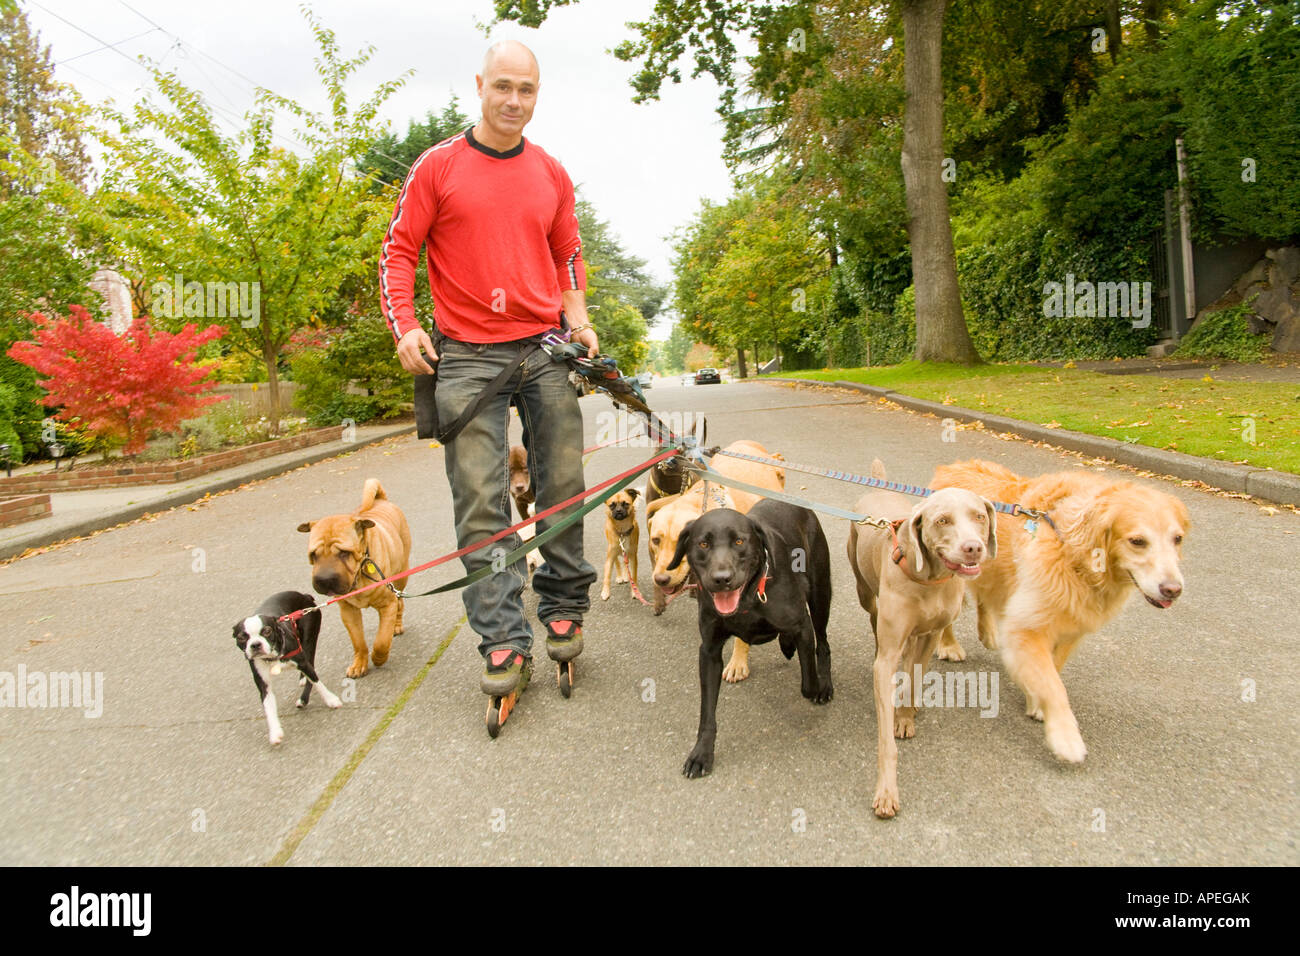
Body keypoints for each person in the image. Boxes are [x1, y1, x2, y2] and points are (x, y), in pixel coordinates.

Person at [378, 40, 598, 723]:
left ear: (537, 94)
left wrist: (581, 320)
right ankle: (503, 638)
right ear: (479, 86)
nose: (514, 100)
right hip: (466, 354)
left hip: (545, 346)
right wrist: (406, 326)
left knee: (561, 482)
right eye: (502, 86)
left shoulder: (550, 172)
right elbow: (398, 249)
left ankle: (562, 605)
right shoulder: (438, 166)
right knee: (481, 499)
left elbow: (568, 252)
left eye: (526, 89)